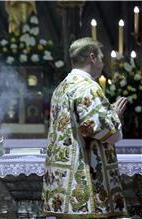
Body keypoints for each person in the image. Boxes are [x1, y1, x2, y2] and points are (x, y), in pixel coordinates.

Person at [42, 37, 129, 218]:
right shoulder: (88, 87)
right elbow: (99, 130)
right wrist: (115, 116)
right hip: (85, 178)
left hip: (62, 180)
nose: (102, 63)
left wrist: (107, 114)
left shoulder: (61, 87)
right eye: (101, 58)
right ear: (92, 57)